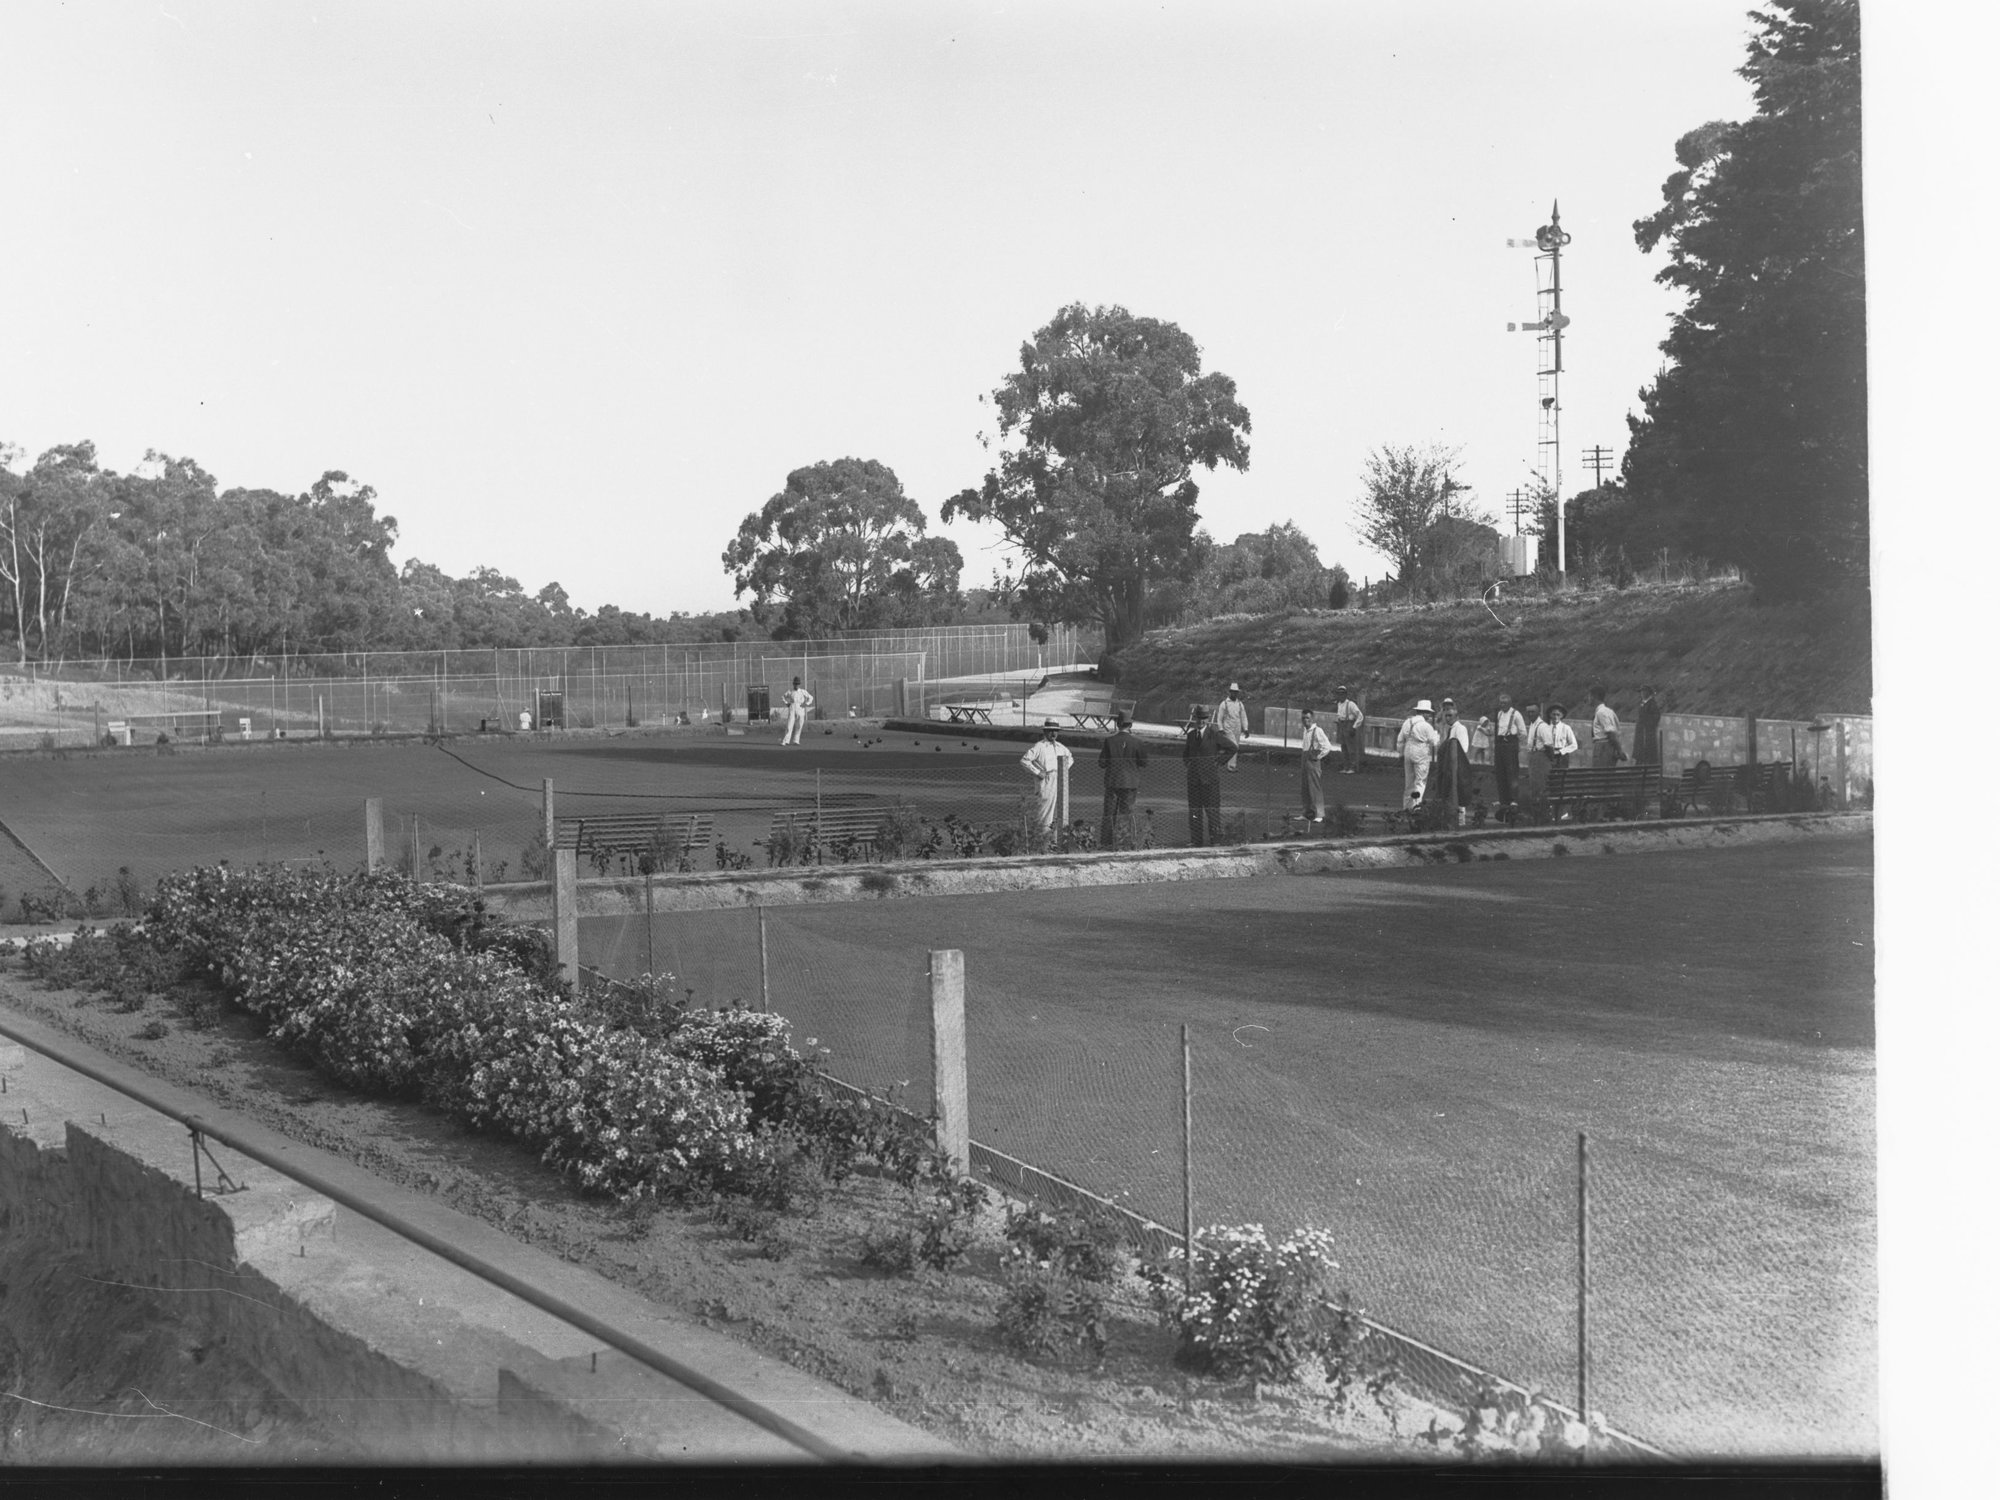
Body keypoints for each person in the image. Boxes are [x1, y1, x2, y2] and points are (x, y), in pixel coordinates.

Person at [1182, 705, 1237, 846]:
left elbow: (1232, 748)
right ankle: (1196, 841)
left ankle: (1215, 841)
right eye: (1198, 718)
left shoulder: (1214, 735)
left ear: (1207, 719)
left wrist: (1218, 761)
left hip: (1210, 781)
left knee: (1212, 812)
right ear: (1195, 719)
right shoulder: (1190, 736)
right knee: (1195, 812)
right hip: (1194, 781)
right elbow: (1186, 755)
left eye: (1204, 718)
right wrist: (1190, 764)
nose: (1201, 721)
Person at [1097, 710, 1149, 849]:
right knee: (1127, 813)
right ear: (1130, 725)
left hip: (1113, 781)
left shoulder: (1109, 741)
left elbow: (1102, 763)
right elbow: (1144, 762)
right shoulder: (1137, 742)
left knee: (1109, 814)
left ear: (1118, 724)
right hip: (1130, 782)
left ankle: (1106, 843)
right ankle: (1125, 842)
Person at [1019, 718, 1074, 842]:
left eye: (1055, 731)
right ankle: (1042, 841)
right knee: (1044, 813)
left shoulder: (1061, 747)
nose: (1053, 734)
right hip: (1046, 781)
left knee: (1059, 811)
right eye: (1050, 731)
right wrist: (1038, 772)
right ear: (1045, 732)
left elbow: (1070, 758)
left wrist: (1063, 770)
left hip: (1059, 780)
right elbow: (1024, 761)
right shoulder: (1039, 746)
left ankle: (1055, 842)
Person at [1395, 699, 1440, 811]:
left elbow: (1400, 740)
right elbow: (1434, 742)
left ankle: (1406, 807)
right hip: (1421, 750)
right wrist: (1436, 734)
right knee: (1420, 781)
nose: (1429, 715)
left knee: (1409, 782)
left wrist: (1400, 753)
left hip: (1408, 749)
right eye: (1428, 713)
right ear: (1424, 712)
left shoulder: (1407, 722)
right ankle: (1416, 807)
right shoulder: (1426, 726)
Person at [1436, 698, 1474, 817]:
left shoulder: (1460, 729)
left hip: (1457, 765)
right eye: (1446, 716)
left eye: (1450, 716)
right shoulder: (1450, 729)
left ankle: (1461, 819)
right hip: (1448, 766)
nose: (1447, 718)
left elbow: (1462, 748)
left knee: (1459, 792)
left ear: (1456, 716)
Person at [1297, 708, 1334, 824]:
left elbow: (1327, 746)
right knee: (1305, 788)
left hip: (1313, 761)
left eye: (1307, 718)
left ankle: (1319, 814)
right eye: (1303, 718)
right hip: (1304, 759)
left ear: (1312, 719)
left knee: (1315, 787)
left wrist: (1318, 757)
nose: (1305, 720)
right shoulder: (1305, 730)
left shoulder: (1317, 730)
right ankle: (1307, 813)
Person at [1490, 693, 1527, 808]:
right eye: (1501, 703)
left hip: (1510, 744)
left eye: (1504, 703)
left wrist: (1516, 744)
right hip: (1500, 744)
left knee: (1511, 772)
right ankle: (1503, 799)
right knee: (1500, 772)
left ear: (1510, 703)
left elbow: (1523, 732)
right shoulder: (1499, 714)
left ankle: (1513, 799)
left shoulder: (1516, 714)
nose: (1502, 705)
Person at [1214, 683, 1251, 771]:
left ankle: (1230, 765)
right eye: (1233, 692)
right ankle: (1221, 762)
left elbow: (1243, 717)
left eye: (1236, 692)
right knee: (1233, 746)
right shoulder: (1224, 704)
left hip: (1237, 728)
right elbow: (1219, 717)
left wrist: (1245, 728)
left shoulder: (1240, 704)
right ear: (1230, 692)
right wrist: (1221, 728)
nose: (1234, 694)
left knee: (1235, 746)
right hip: (1228, 728)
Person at [1588, 685, 1625, 768]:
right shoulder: (1606, 711)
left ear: (1595, 696)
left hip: (1603, 747)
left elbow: (1611, 733)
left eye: (1590, 696)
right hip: (1603, 746)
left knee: (1601, 775)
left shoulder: (1602, 712)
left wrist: (1619, 750)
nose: (1589, 699)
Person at [1332, 686, 1365, 774]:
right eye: (1339, 694)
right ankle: (1346, 767)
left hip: (1349, 725)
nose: (1340, 696)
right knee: (1343, 747)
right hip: (1342, 725)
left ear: (1346, 694)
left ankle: (1353, 767)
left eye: (1342, 694)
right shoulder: (1339, 704)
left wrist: (1354, 727)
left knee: (1351, 748)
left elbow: (1360, 716)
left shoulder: (1351, 704)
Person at [780, 676, 814, 746]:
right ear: (793, 684)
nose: (796, 685)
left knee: (799, 725)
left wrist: (806, 704)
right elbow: (783, 697)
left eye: (797, 684)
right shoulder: (790, 692)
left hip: (800, 709)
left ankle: (796, 740)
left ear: (799, 684)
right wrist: (786, 703)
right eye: (795, 684)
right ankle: (785, 741)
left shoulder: (803, 691)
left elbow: (811, 697)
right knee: (789, 725)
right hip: (792, 708)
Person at [1634, 685, 1663, 766]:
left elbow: (1656, 717)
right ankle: (1639, 766)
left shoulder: (1652, 704)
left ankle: (1647, 767)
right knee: (1640, 750)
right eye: (1641, 692)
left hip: (1647, 733)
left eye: (1643, 692)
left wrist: (1647, 725)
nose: (1641, 694)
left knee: (1648, 752)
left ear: (1648, 693)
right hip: (1641, 732)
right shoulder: (1643, 703)